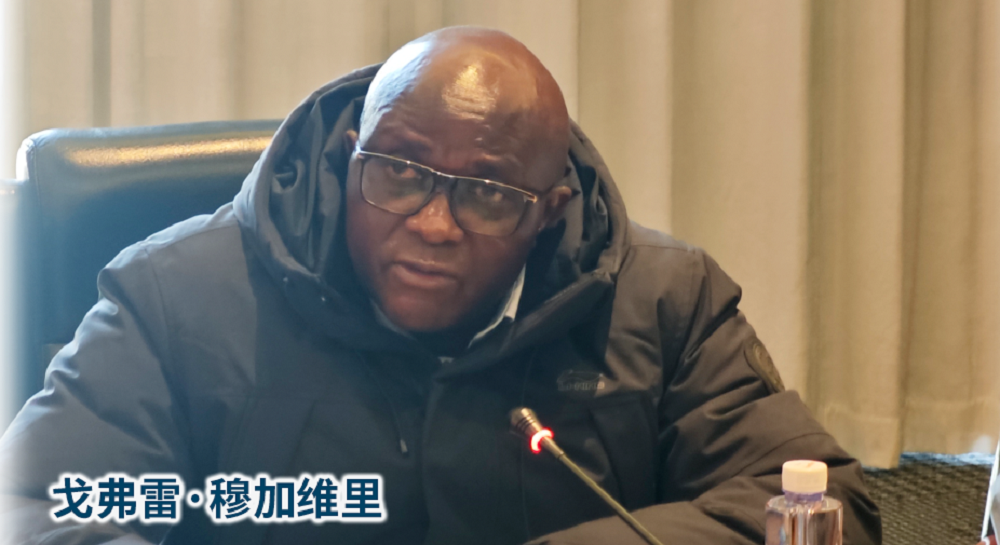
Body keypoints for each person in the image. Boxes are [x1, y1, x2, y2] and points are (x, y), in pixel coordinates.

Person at [0, 27, 881, 544]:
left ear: (549, 210)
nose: (431, 223)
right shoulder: (179, 294)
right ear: (351, 155)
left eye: (487, 194)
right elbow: (37, 500)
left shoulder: (661, 301)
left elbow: (817, 501)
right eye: (399, 172)